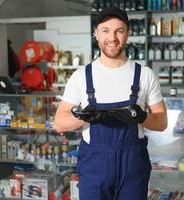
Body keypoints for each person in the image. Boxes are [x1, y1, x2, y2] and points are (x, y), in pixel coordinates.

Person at [54, 7, 167, 200]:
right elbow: (59, 123)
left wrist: (143, 117)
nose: (112, 38)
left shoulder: (145, 75)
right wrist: (83, 118)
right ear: (96, 33)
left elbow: (162, 122)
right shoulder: (81, 76)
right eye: (105, 30)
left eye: (119, 31)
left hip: (132, 166)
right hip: (94, 166)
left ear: (127, 34)